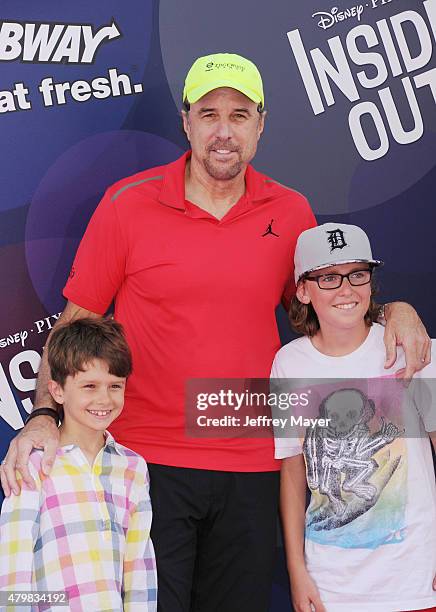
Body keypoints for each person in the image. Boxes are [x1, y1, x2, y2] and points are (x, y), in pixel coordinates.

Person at [0, 53, 431, 612]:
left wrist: (398, 309)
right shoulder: (127, 205)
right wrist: (43, 416)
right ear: (186, 122)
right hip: (147, 462)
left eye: (239, 114)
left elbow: (329, 306)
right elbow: (75, 328)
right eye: (209, 114)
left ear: (261, 123)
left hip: (251, 465)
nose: (223, 130)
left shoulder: (291, 210)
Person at [272, 223, 436, 612]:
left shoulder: (411, 349)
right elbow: (293, 472)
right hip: (332, 584)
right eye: (329, 278)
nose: (346, 289)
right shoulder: (290, 363)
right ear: (303, 290)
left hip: (413, 576)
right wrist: (297, 570)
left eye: (357, 274)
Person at [0, 318, 157, 612]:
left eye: (115, 386)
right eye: (89, 386)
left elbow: (139, 569)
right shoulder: (31, 465)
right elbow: (12, 578)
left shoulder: (133, 468)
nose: (104, 398)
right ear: (57, 391)